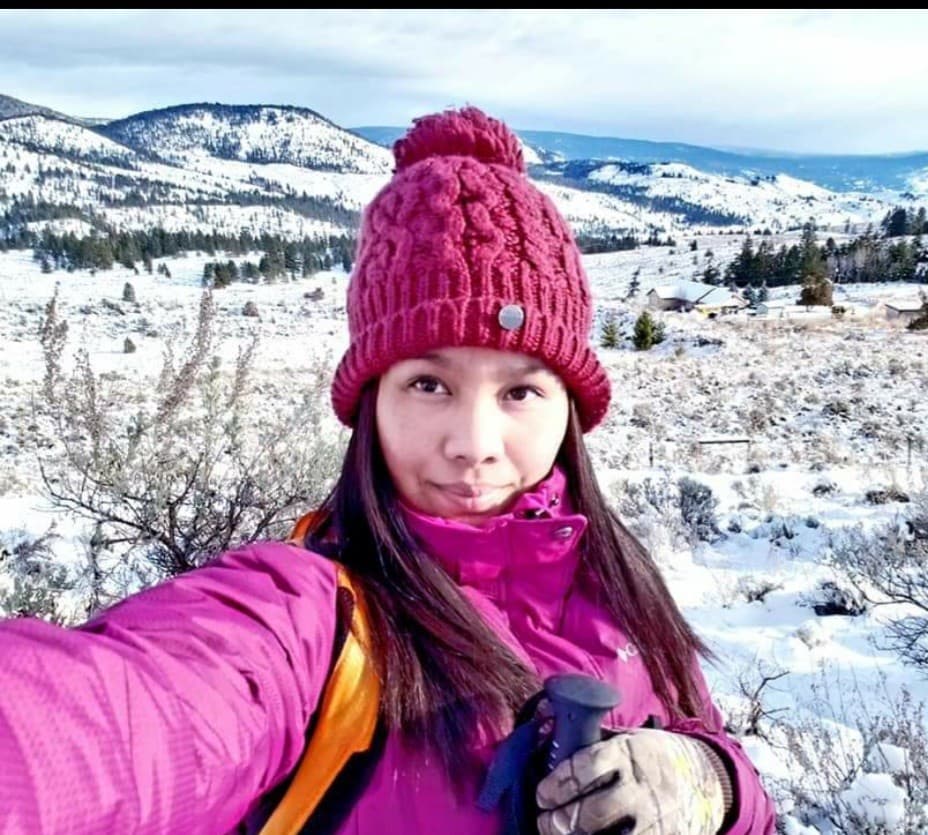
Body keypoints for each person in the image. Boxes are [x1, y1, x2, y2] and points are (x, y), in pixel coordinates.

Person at [0, 106, 774, 835]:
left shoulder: (614, 584)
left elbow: (725, 769)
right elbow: (122, 719)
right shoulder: (310, 621)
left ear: (569, 407)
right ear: (371, 401)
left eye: (520, 390)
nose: (473, 442)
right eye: (428, 384)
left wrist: (706, 781)